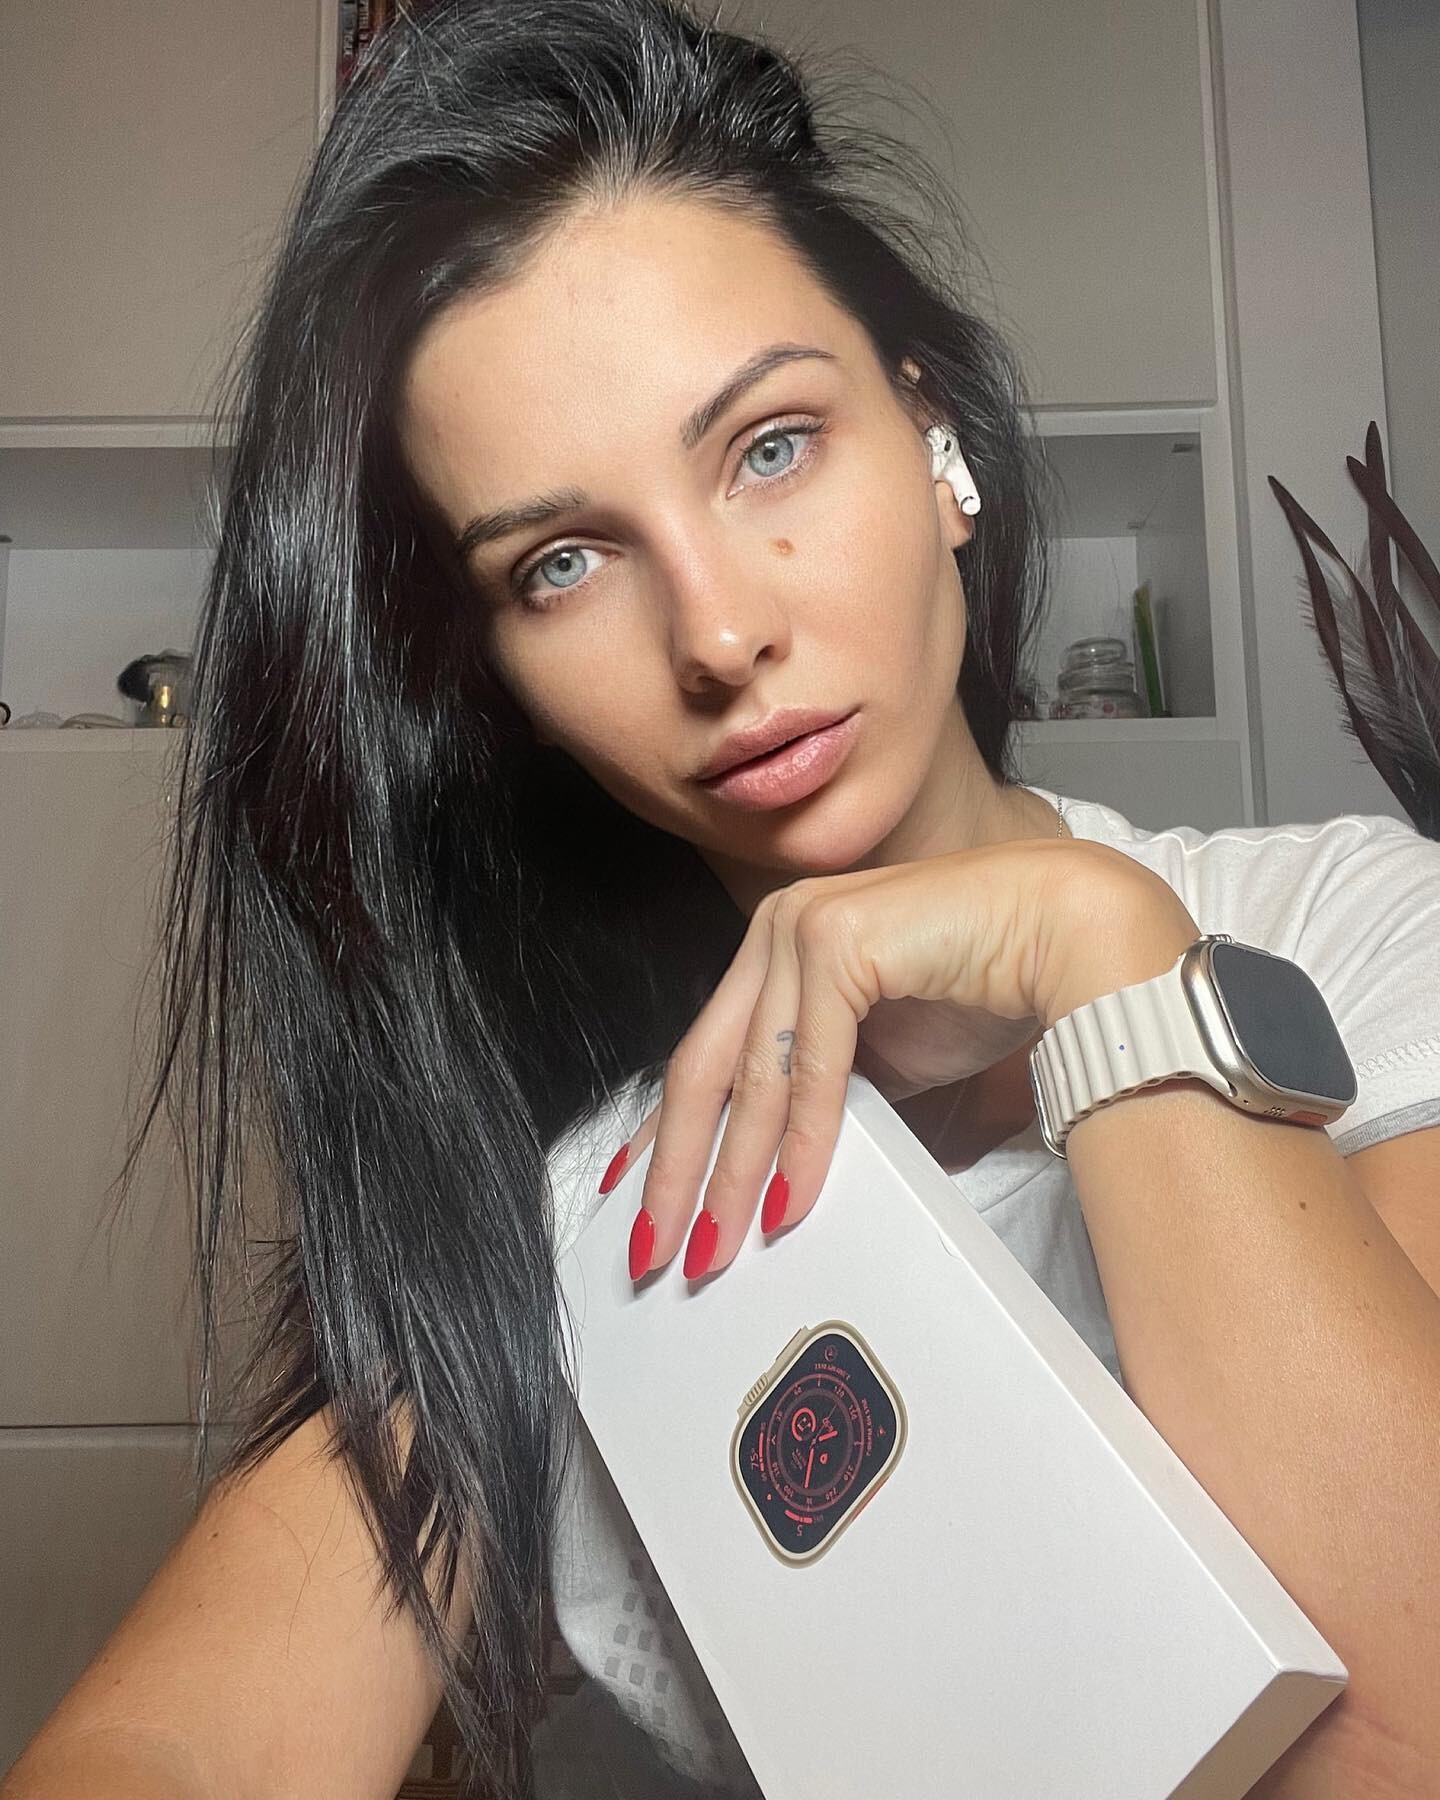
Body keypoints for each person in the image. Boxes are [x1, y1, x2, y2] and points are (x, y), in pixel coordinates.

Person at [7, 1, 1440, 1796]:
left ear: (931, 435)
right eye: (562, 561)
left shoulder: (1357, 939)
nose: (719, 630)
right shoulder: (596, 1215)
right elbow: (161, 1746)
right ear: (501, 686)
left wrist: (1099, 949)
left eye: (769, 445)